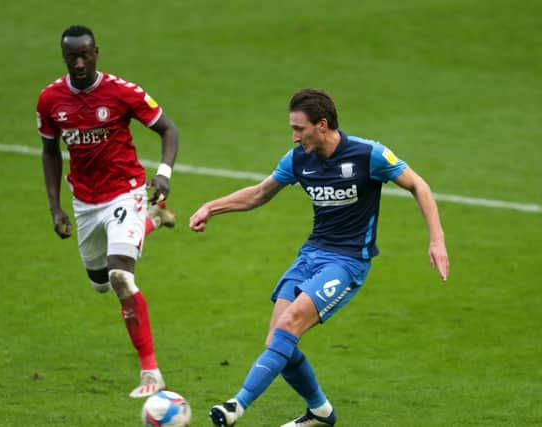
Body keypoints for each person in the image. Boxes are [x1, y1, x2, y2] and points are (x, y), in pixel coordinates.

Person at [189, 88, 449, 427]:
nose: (294, 137)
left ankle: (236, 406)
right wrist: (212, 207)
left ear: (321, 125)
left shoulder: (368, 154)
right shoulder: (298, 159)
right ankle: (320, 412)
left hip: (348, 262)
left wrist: (437, 240)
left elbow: (418, 185)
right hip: (311, 254)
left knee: (288, 325)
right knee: (277, 343)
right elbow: (258, 194)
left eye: (299, 129)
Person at [36, 24, 179, 398]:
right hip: (84, 202)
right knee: (99, 283)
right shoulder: (50, 100)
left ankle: (151, 371)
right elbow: (50, 152)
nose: (80, 63)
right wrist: (55, 208)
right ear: (64, 57)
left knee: (120, 278)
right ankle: (154, 219)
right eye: (72, 57)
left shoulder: (121, 92)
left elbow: (169, 129)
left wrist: (163, 174)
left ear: (97, 52)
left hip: (125, 191)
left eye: (86, 55)